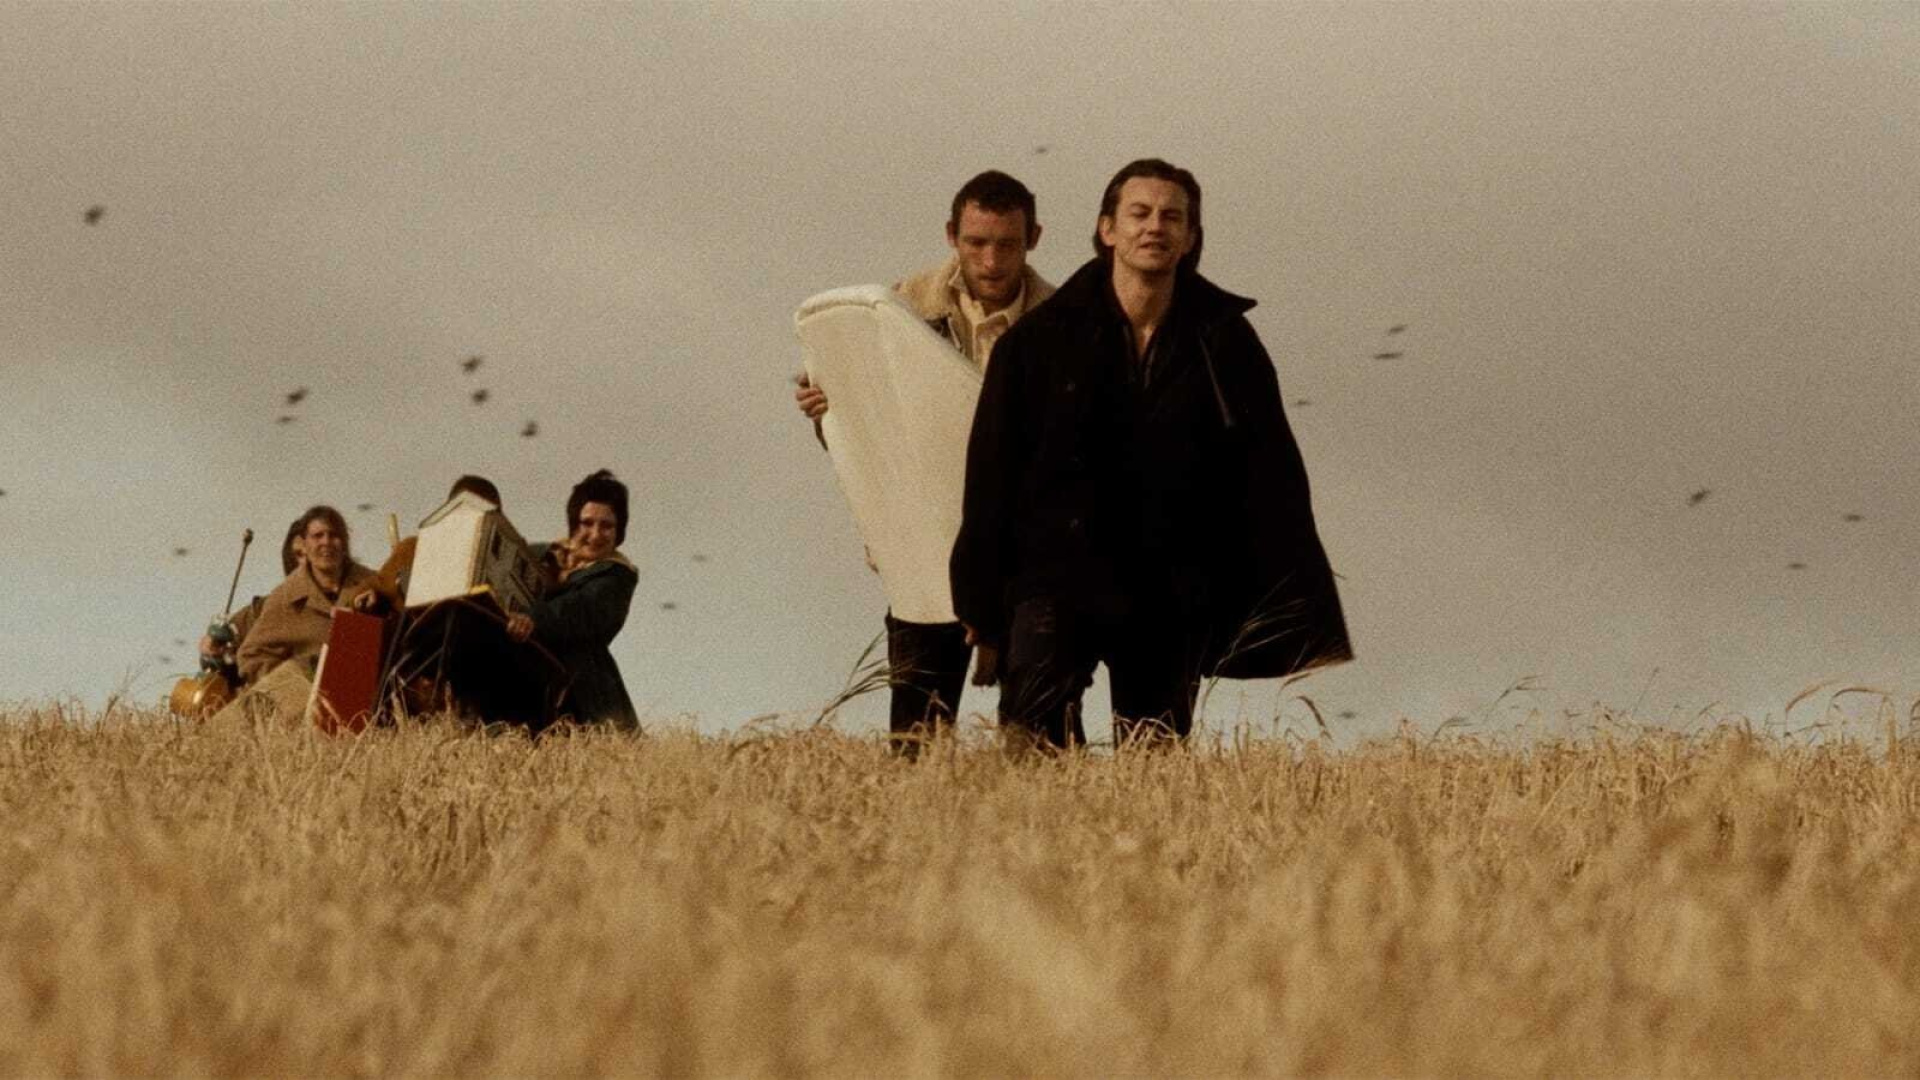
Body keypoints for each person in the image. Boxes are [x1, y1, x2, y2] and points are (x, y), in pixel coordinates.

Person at [950, 159, 1352, 752]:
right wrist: (980, 604)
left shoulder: (1224, 341)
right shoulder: (1037, 342)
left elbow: (1272, 477)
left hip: (1168, 587)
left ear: (1190, 237)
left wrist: (1275, 599)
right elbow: (991, 477)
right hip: (1054, 578)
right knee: (1030, 754)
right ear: (1107, 229)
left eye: (1172, 217)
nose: (1155, 227)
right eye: (1139, 213)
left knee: (1155, 762)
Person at [793, 170, 1055, 755]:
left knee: (1038, 743)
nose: (991, 261)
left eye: (1007, 244)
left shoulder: (1064, 322)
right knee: (916, 741)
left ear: (1034, 238)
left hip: (1026, 559)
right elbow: (872, 433)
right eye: (976, 243)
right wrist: (825, 412)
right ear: (951, 236)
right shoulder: (899, 307)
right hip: (923, 547)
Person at [505, 469, 638, 730]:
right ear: (573, 524)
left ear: (619, 531)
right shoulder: (540, 555)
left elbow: (578, 610)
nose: (596, 535)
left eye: (607, 526)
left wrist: (530, 620)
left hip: (581, 700)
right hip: (524, 679)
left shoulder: (617, 577)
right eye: (587, 523)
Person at [236, 505, 378, 685]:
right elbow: (251, 655)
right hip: (310, 697)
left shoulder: (373, 584)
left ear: (344, 542)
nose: (326, 542)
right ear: (304, 544)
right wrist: (294, 688)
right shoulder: (286, 597)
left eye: (334, 535)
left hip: (373, 691)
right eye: (318, 536)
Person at [352, 474, 504, 614]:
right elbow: (371, 588)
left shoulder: (496, 569)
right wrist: (368, 597)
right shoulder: (414, 549)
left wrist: (515, 622)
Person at [197, 516, 307, 677]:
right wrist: (215, 652)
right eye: (300, 554)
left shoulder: (346, 605)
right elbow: (218, 647)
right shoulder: (264, 610)